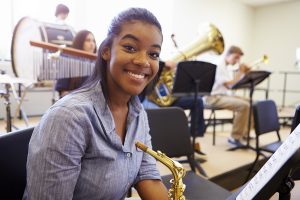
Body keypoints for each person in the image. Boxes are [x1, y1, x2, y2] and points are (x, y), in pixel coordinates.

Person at [24, 8, 168, 199]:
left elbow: (146, 173)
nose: (144, 61)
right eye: (130, 48)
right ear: (106, 51)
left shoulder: (138, 112)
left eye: (154, 54)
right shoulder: (69, 117)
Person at [204, 45, 251, 147]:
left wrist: (244, 73)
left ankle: (244, 133)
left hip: (223, 95)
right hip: (212, 97)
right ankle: (234, 138)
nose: (237, 61)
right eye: (236, 57)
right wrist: (241, 72)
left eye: (239, 58)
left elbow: (231, 86)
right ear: (227, 54)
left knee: (251, 101)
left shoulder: (225, 66)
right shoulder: (219, 65)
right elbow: (230, 85)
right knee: (244, 106)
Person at [55, 30, 97, 98]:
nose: (92, 44)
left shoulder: (97, 63)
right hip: (74, 104)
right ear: (80, 42)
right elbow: (63, 93)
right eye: (88, 40)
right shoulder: (69, 61)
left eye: (93, 41)